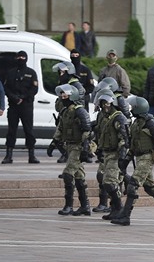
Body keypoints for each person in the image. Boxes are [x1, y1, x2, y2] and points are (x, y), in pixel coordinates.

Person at [112, 96, 154, 226]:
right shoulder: (136, 123)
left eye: (132, 107)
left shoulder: (151, 122)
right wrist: (126, 161)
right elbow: (133, 145)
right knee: (150, 187)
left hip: (149, 156)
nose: (130, 109)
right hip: (140, 156)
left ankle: (125, 216)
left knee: (133, 184)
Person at [54, 84, 92, 216]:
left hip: (78, 146)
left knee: (68, 173)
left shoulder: (80, 111)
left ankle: (68, 205)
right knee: (79, 175)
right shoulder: (65, 111)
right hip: (69, 145)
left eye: (66, 95)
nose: (63, 97)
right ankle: (85, 206)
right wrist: (54, 142)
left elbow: (87, 130)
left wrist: (85, 148)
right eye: (62, 95)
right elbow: (60, 127)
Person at [1, 50, 40, 164]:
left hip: (26, 106)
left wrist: (23, 97)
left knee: (29, 130)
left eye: (23, 57)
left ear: (26, 59)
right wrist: (14, 97)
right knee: (11, 130)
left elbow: (34, 89)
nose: (21, 59)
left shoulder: (31, 72)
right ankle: (8, 155)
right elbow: (5, 88)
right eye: (19, 57)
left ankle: (31, 155)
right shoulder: (10, 72)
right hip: (13, 106)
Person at [95, 93, 129, 220]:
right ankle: (114, 208)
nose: (105, 106)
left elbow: (123, 138)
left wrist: (121, 155)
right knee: (104, 181)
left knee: (110, 182)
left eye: (107, 104)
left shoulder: (118, 118)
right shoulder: (107, 118)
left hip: (115, 154)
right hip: (107, 152)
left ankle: (119, 208)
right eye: (103, 104)